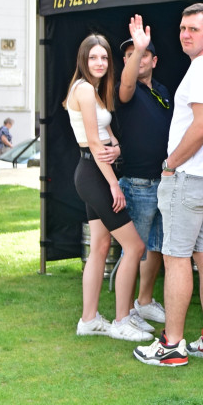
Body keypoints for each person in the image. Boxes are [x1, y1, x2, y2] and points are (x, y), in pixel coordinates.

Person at [133, 3, 203, 367]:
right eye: (182, 28)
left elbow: (202, 125)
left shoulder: (201, 70)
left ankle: (172, 344)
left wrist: (171, 163)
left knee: (176, 258)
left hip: (189, 176)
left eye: (193, 29)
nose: (185, 34)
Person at [64, 34, 154, 343]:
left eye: (104, 58)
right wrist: (114, 184)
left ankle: (89, 320)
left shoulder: (93, 89)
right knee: (134, 247)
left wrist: (115, 146)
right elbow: (91, 140)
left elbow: (104, 133)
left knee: (101, 247)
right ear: (83, 60)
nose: (100, 62)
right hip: (94, 173)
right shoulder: (86, 89)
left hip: (95, 168)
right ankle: (121, 321)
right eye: (93, 58)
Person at [115, 15, 173, 332]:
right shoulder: (127, 91)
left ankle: (145, 302)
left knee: (157, 246)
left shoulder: (163, 91)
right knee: (133, 249)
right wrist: (136, 47)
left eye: (141, 53)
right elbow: (125, 85)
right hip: (137, 184)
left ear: (155, 60)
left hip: (164, 182)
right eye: (128, 56)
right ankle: (125, 314)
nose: (135, 59)